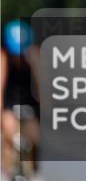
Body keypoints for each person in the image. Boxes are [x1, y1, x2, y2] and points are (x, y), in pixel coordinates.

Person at [1, 20, 40, 181]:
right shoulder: (3, 58)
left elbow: (42, 86)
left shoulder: (33, 56)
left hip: (29, 103)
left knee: (37, 139)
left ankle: (33, 171)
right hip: (9, 103)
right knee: (10, 134)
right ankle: (9, 172)